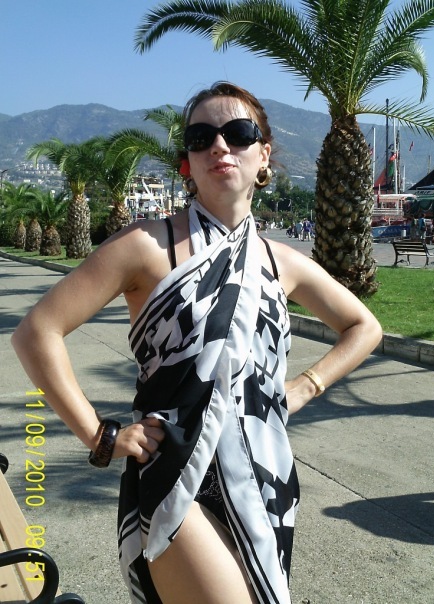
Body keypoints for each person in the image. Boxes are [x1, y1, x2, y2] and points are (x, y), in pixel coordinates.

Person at [11, 81, 382, 604]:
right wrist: (99, 435)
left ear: (264, 155)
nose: (219, 145)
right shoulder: (146, 245)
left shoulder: (282, 262)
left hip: (264, 476)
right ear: (188, 160)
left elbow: (365, 327)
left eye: (238, 133)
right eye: (201, 136)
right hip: (177, 473)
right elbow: (36, 332)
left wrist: (305, 386)